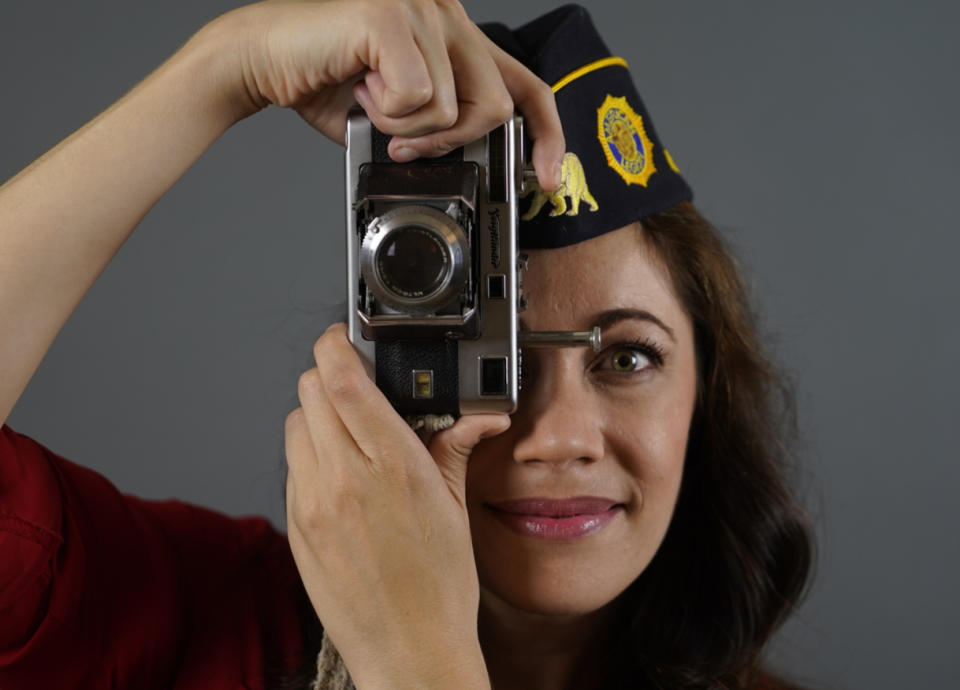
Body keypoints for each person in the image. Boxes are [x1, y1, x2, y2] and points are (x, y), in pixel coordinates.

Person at [0, 1, 813, 688]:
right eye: (502, 357)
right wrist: (223, 67)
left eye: (627, 358)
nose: (560, 437)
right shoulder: (201, 617)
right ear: (385, 354)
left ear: (705, 390)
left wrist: (417, 660)